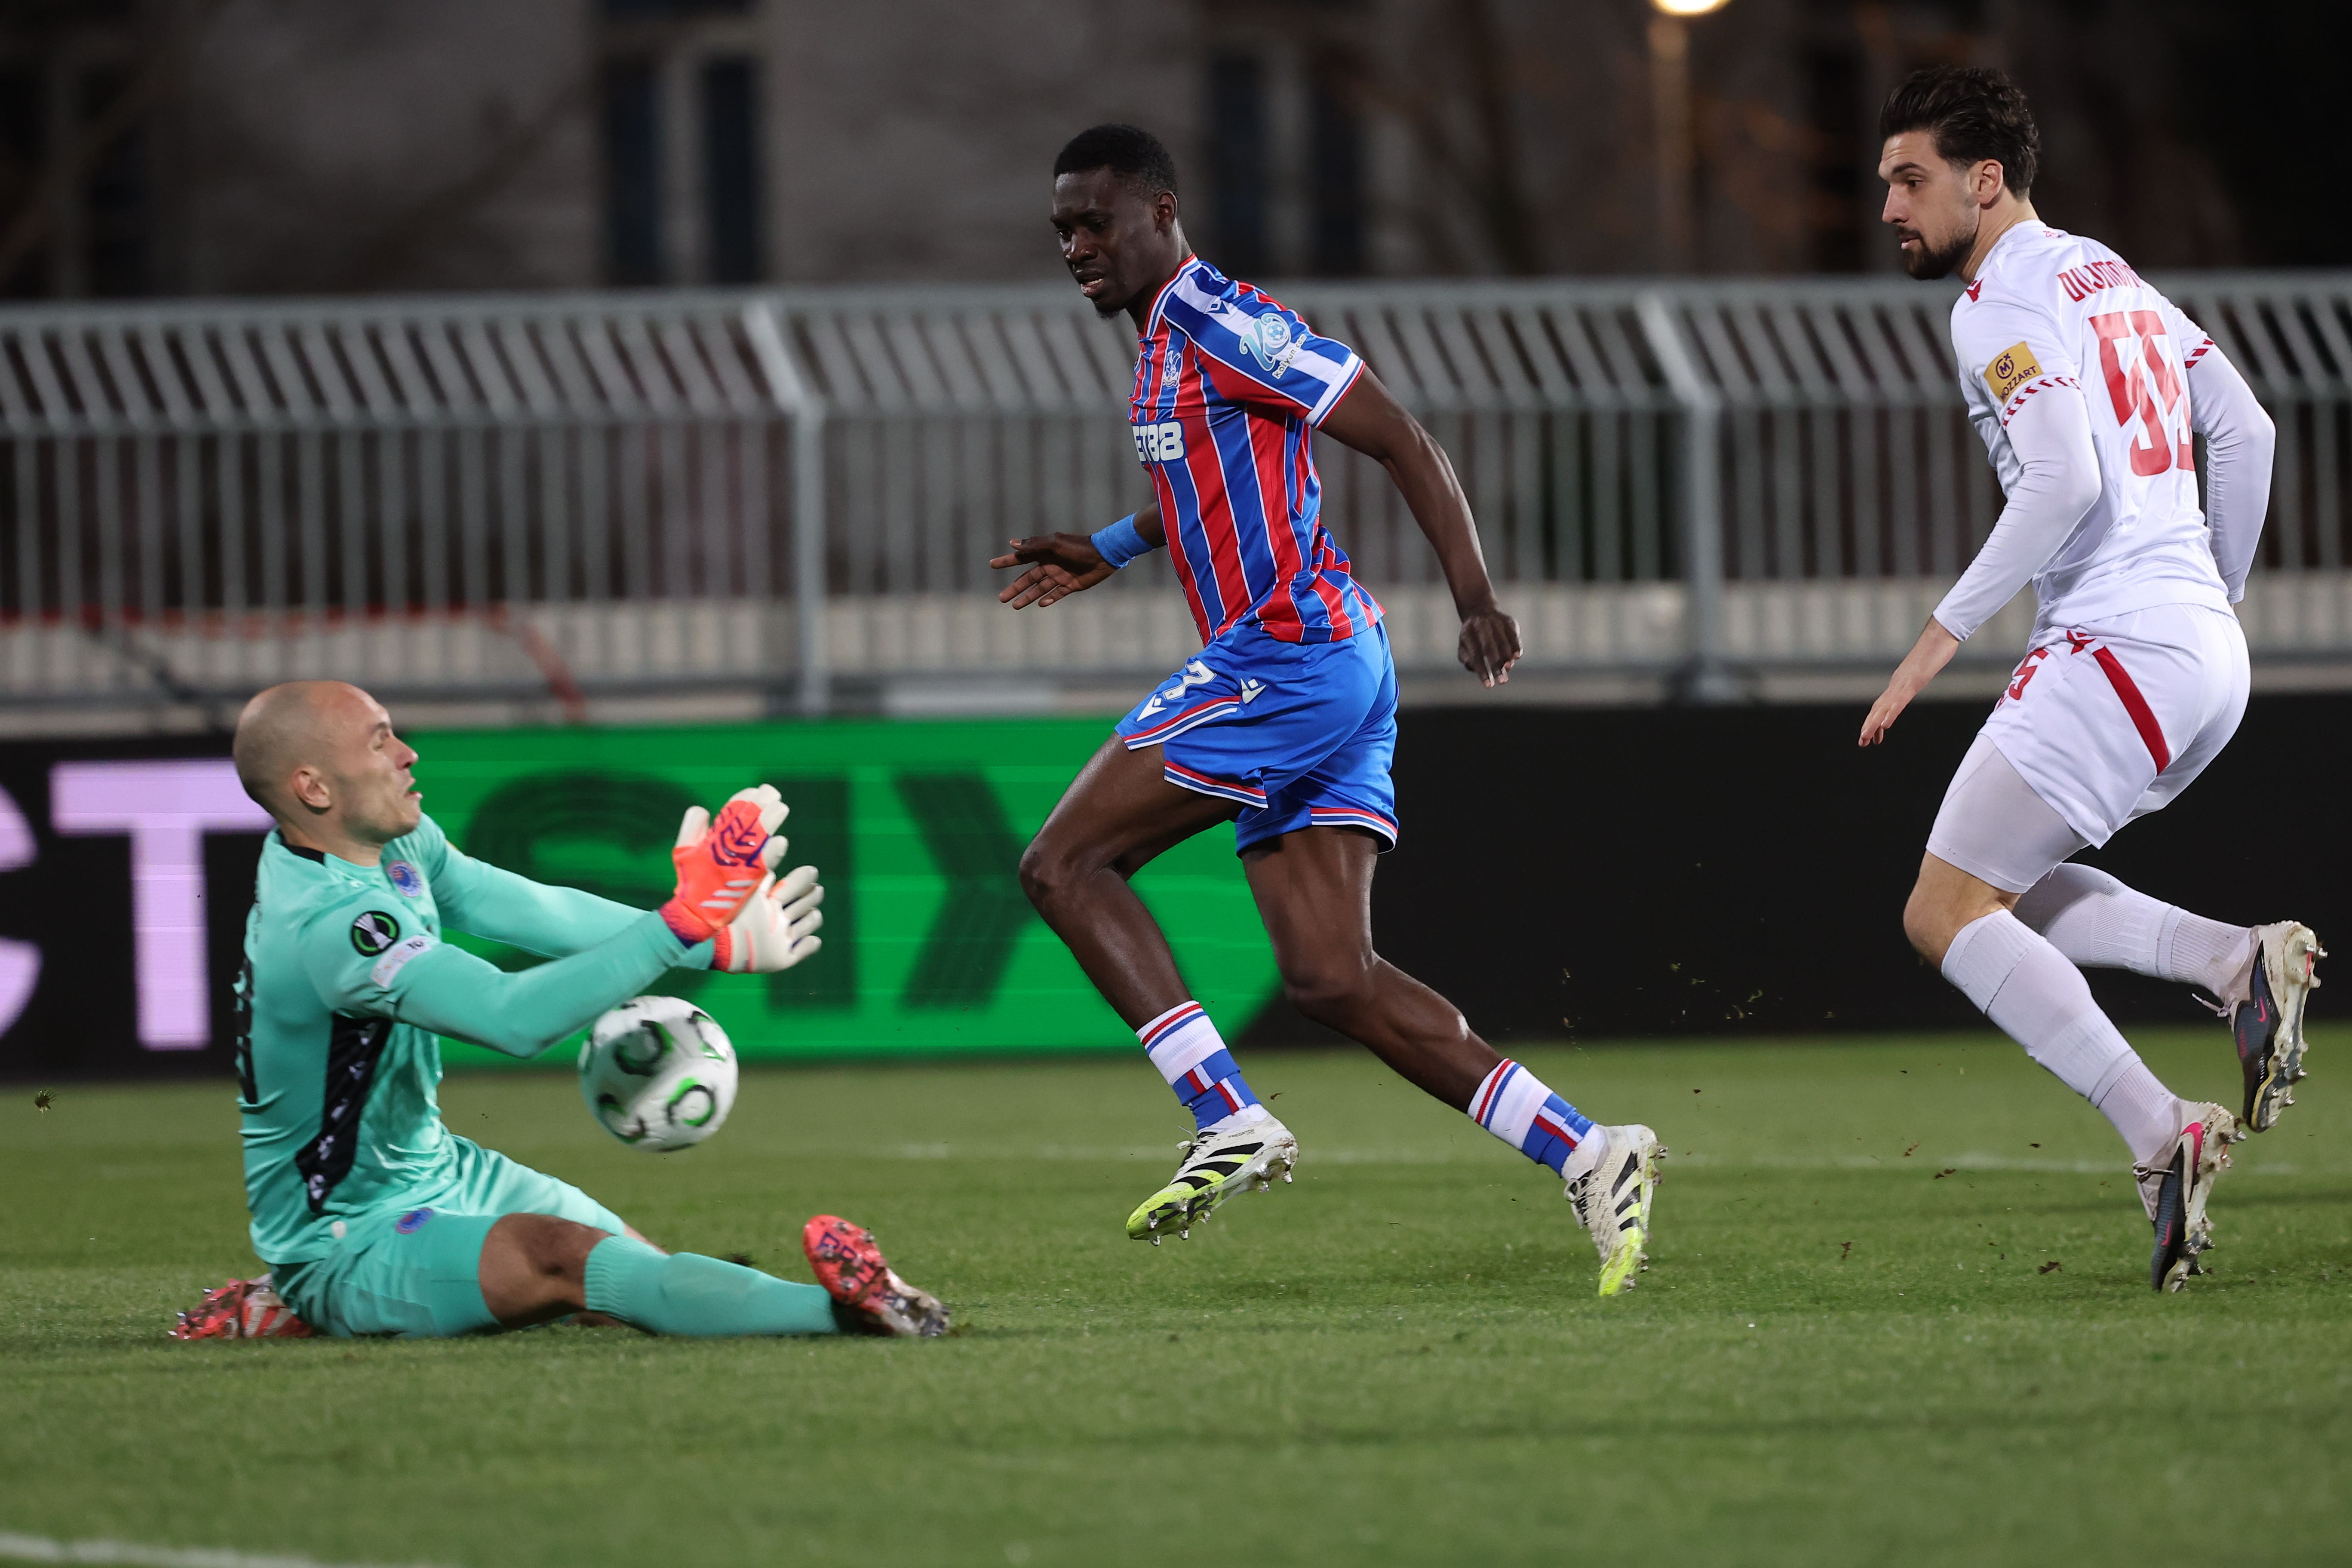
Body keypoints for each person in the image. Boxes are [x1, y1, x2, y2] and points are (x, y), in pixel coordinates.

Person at [992, 125, 1662, 1296]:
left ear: (1160, 211)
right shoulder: (1159, 342)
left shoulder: (1218, 319)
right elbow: (1197, 487)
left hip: (1289, 657)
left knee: (1062, 866)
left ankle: (1224, 1118)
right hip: (1327, 662)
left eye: (1095, 223)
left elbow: (1398, 436)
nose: (1075, 248)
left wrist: (1477, 599)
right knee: (1329, 979)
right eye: (1061, 230)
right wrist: (1106, 546)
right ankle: (1590, 1152)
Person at [1862, 68, 2324, 1292]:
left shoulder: (1992, 301)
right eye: (1883, 184)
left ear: (1983, 179)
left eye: (1909, 180)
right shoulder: (2102, 270)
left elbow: (2059, 482)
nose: (1888, 208)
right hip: (2195, 656)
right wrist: (2211, 604)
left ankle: (2157, 1129)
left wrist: (1934, 637)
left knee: (1939, 912)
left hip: (2117, 645)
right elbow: (2248, 431)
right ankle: (2233, 964)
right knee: (1993, 887)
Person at [173, 679, 947, 1340]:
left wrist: (710, 942)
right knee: (562, 1259)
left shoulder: (389, 845)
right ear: (314, 788)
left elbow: (534, 909)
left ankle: (282, 1309)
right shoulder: (329, 926)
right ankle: (865, 1311)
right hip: (346, 1235)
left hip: (442, 1170)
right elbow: (510, 1017)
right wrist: (679, 923)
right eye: (380, 742)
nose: (408, 754)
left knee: (628, 1281)